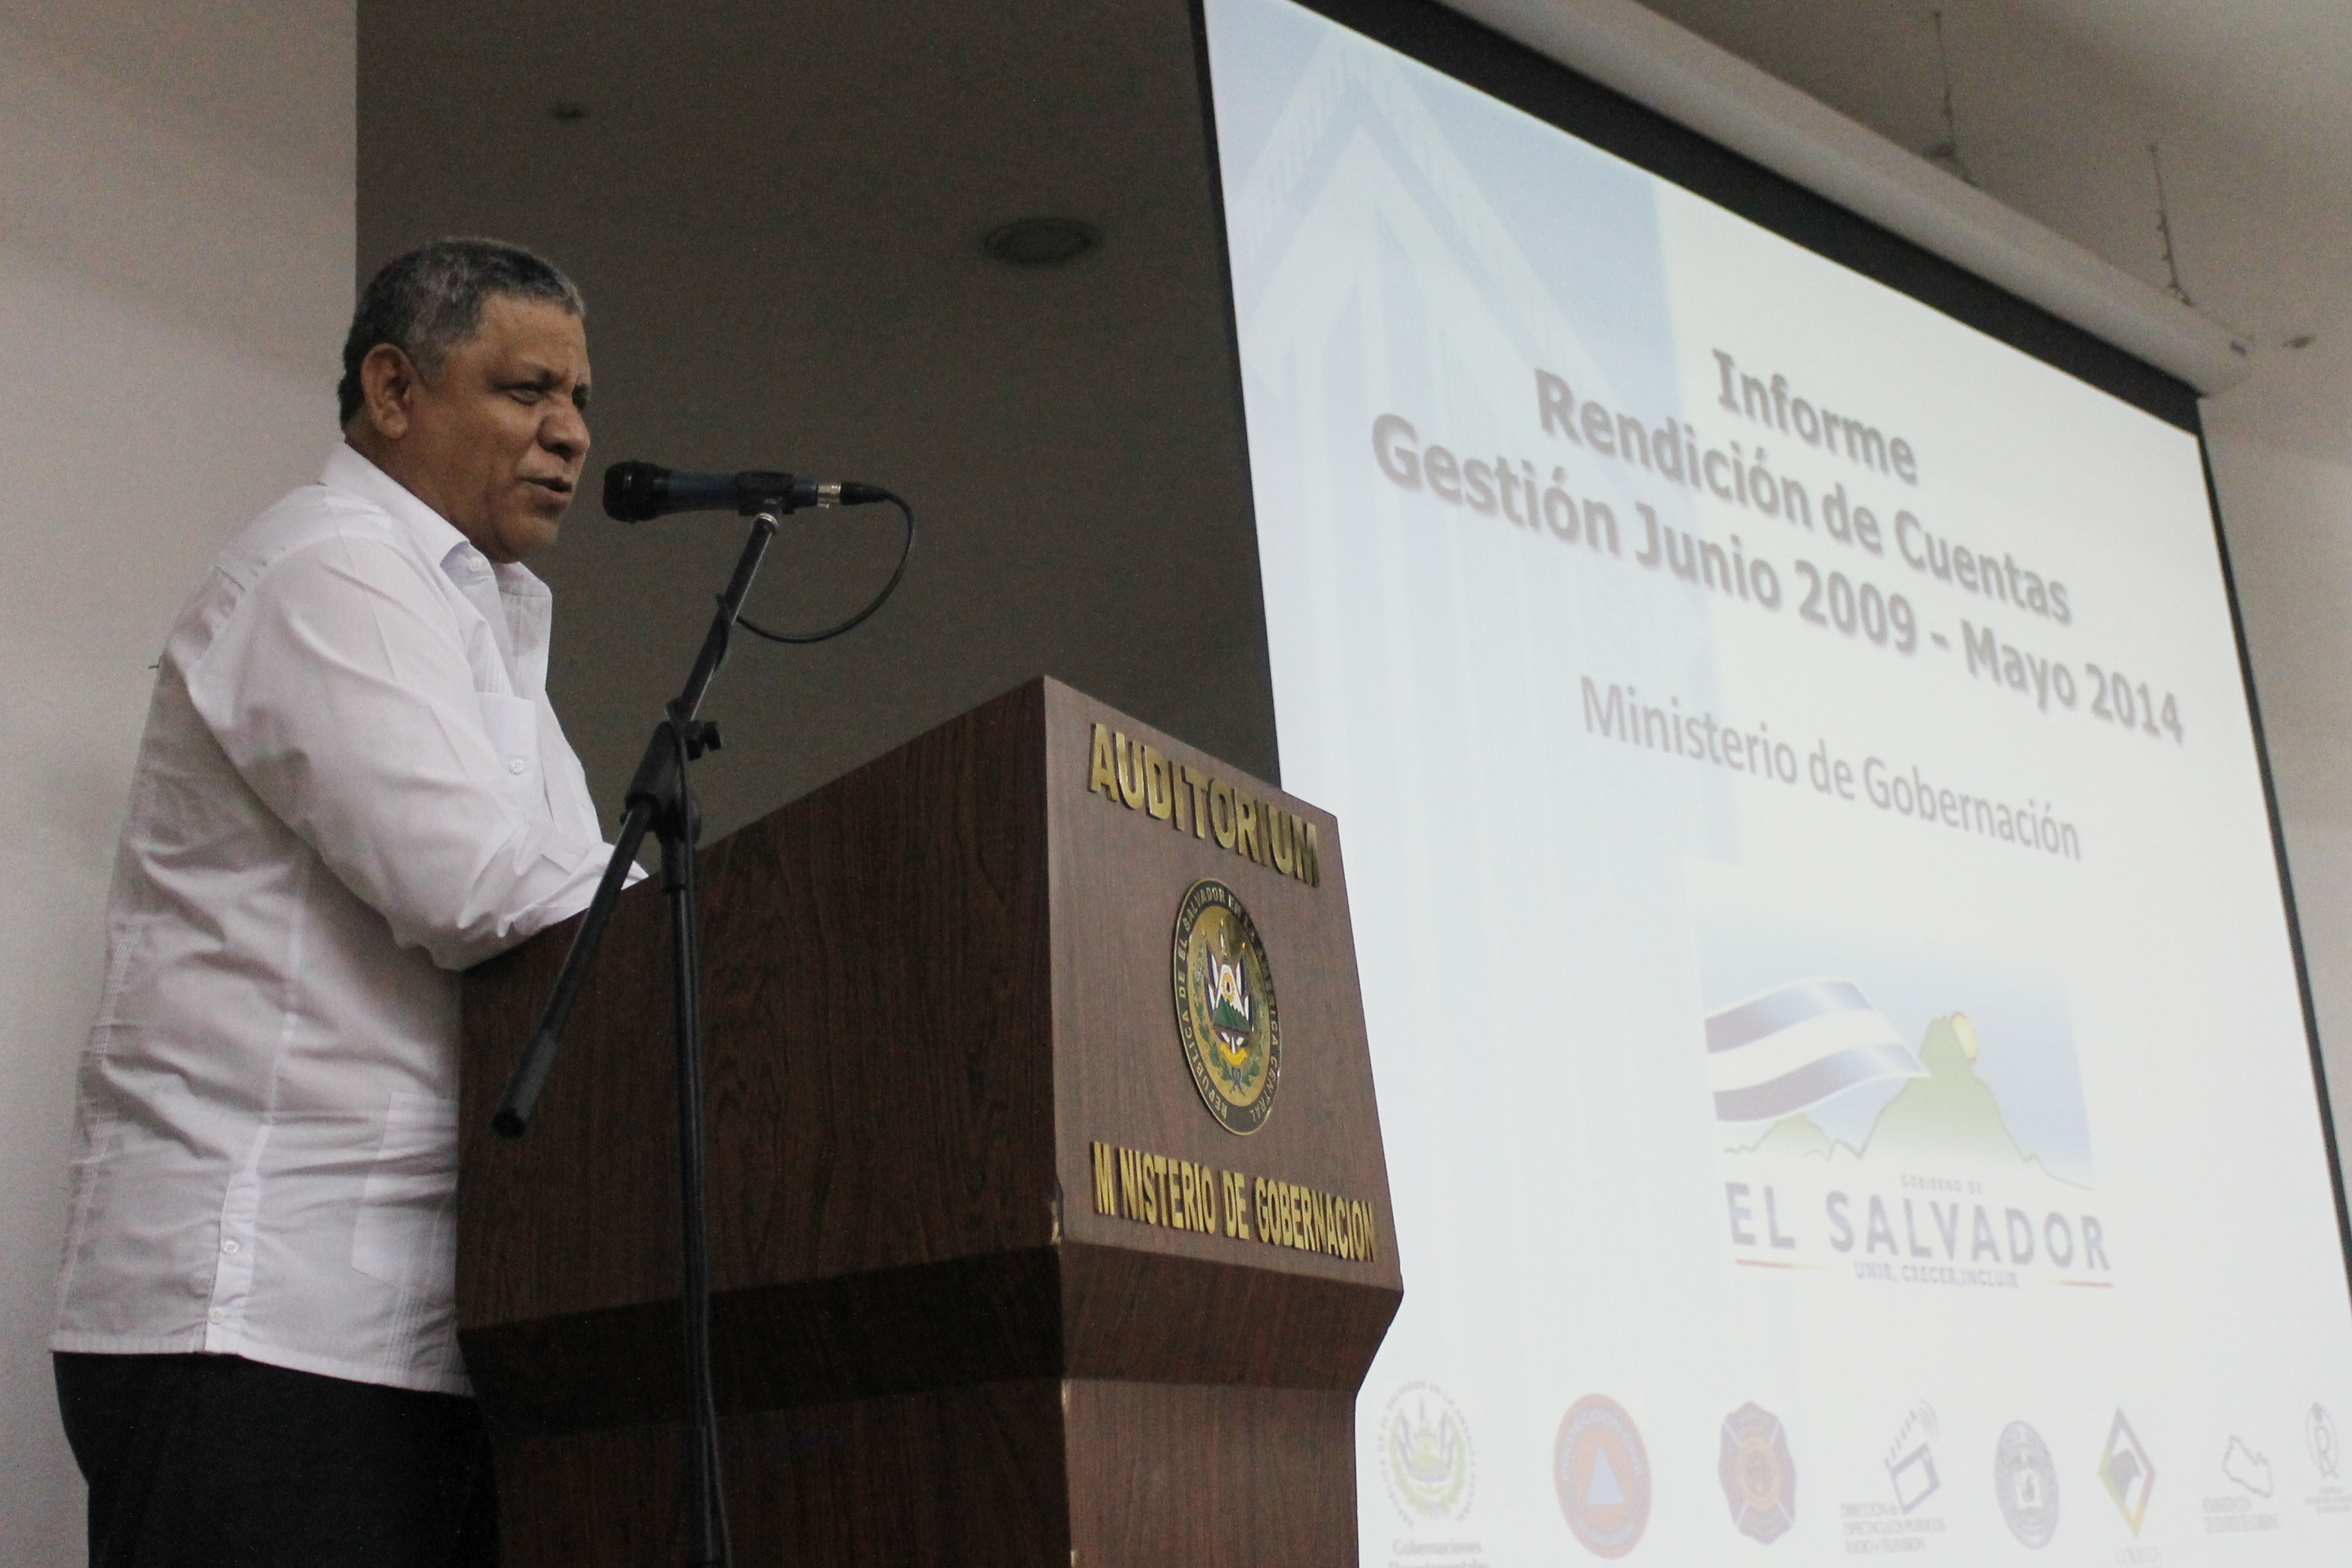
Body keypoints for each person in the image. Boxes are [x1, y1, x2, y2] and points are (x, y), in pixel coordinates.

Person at [51, 238, 622, 1567]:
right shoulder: (325, 567)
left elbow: (577, 906)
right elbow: (476, 884)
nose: (571, 434)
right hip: (262, 1311)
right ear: (394, 388)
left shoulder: (480, 622)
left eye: (581, 400)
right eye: (528, 389)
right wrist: (724, 917)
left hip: (414, 1323)